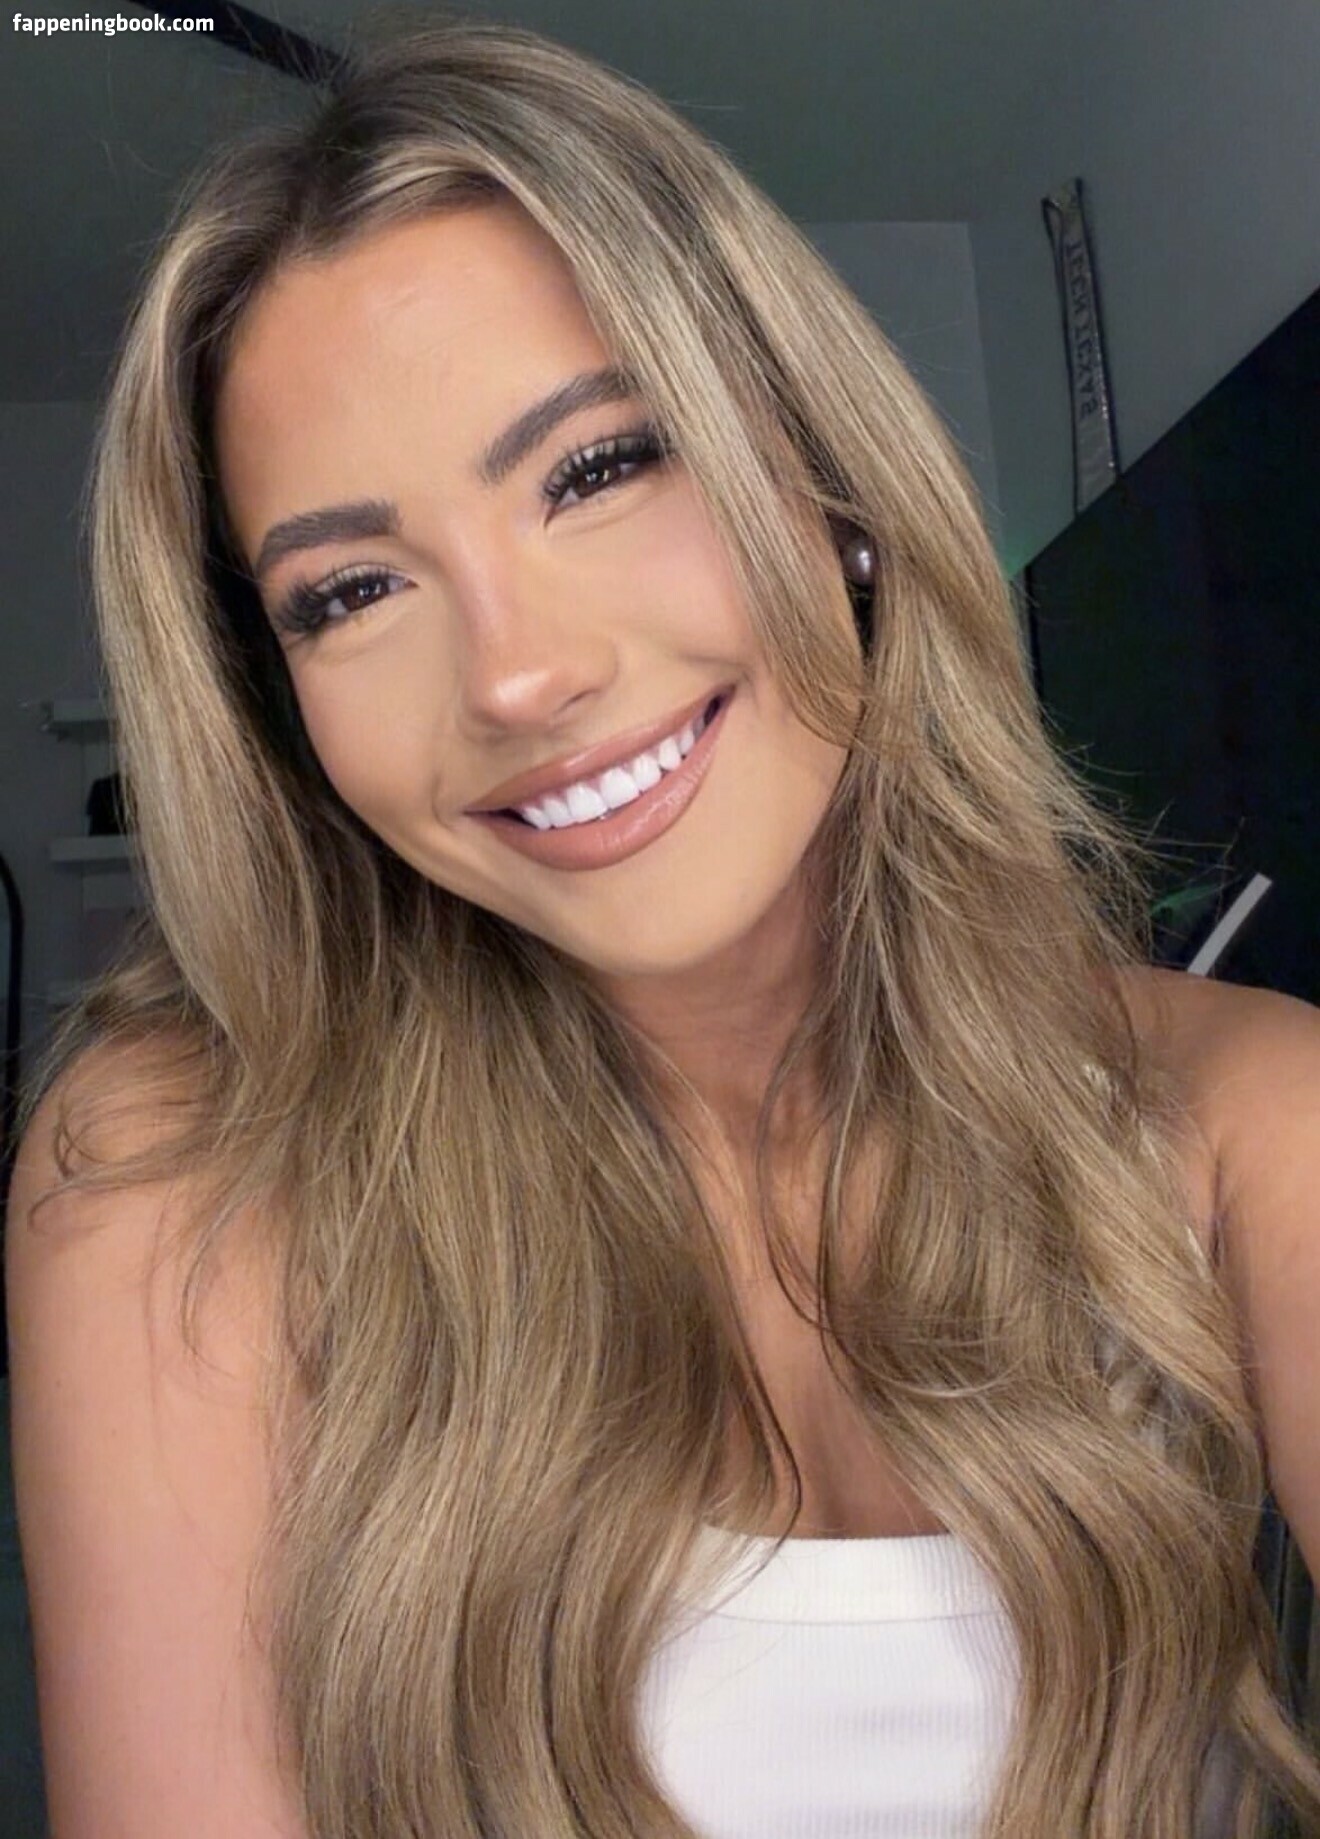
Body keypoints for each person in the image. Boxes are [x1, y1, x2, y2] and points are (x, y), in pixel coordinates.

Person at [5, 20, 1320, 1839]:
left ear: (828, 483)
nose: (519, 673)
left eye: (598, 468)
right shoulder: (182, 1177)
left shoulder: (1244, 1120)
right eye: (354, 589)